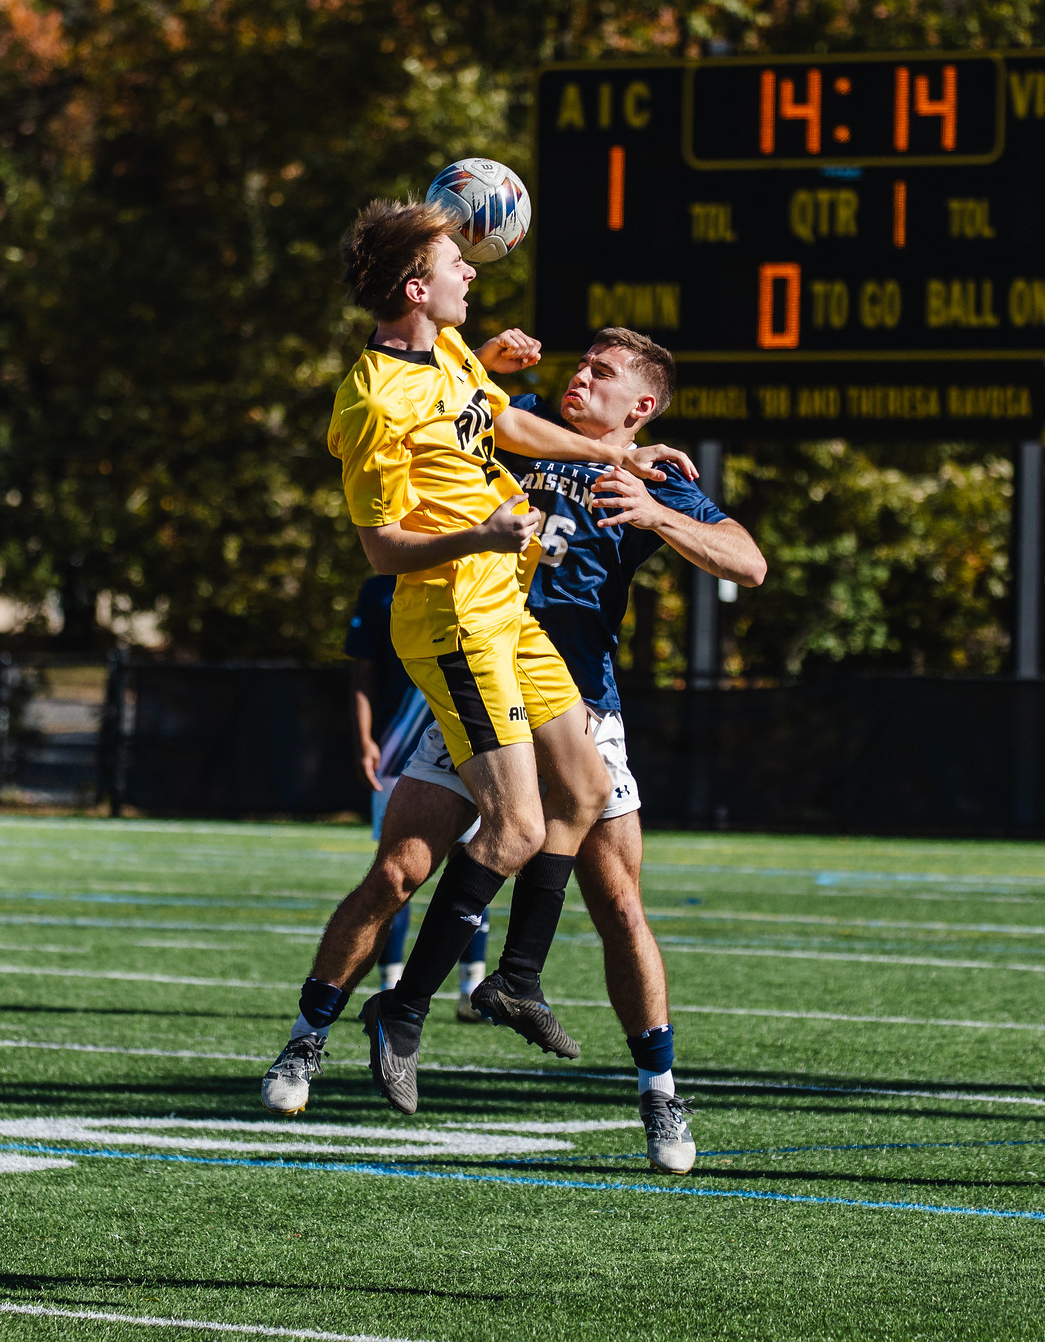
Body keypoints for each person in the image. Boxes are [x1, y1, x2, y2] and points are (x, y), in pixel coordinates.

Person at [269, 329, 766, 1173]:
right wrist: (491, 366)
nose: (579, 377)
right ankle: (306, 1038)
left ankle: (658, 1091)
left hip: (579, 697)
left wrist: (657, 514)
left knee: (619, 905)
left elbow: (748, 563)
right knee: (398, 869)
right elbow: (446, 403)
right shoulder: (519, 420)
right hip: (477, 671)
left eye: (602, 374)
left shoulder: (650, 477)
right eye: (581, 364)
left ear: (641, 407)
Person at [310, 197, 694, 1114]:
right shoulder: (372, 398)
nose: (474, 272)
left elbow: (504, 428)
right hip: (454, 622)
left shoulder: (447, 353)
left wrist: (625, 459)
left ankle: (508, 979)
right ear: (416, 287)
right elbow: (380, 548)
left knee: (584, 795)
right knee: (495, 836)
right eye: (456, 263)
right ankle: (388, 1015)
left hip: (509, 621)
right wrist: (481, 534)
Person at [345, 572, 487, 1005]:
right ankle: (390, 987)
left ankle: (471, 987)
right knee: (395, 870)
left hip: (468, 738)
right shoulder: (380, 586)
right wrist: (364, 737)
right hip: (396, 746)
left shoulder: (477, 566)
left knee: (475, 864)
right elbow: (362, 666)